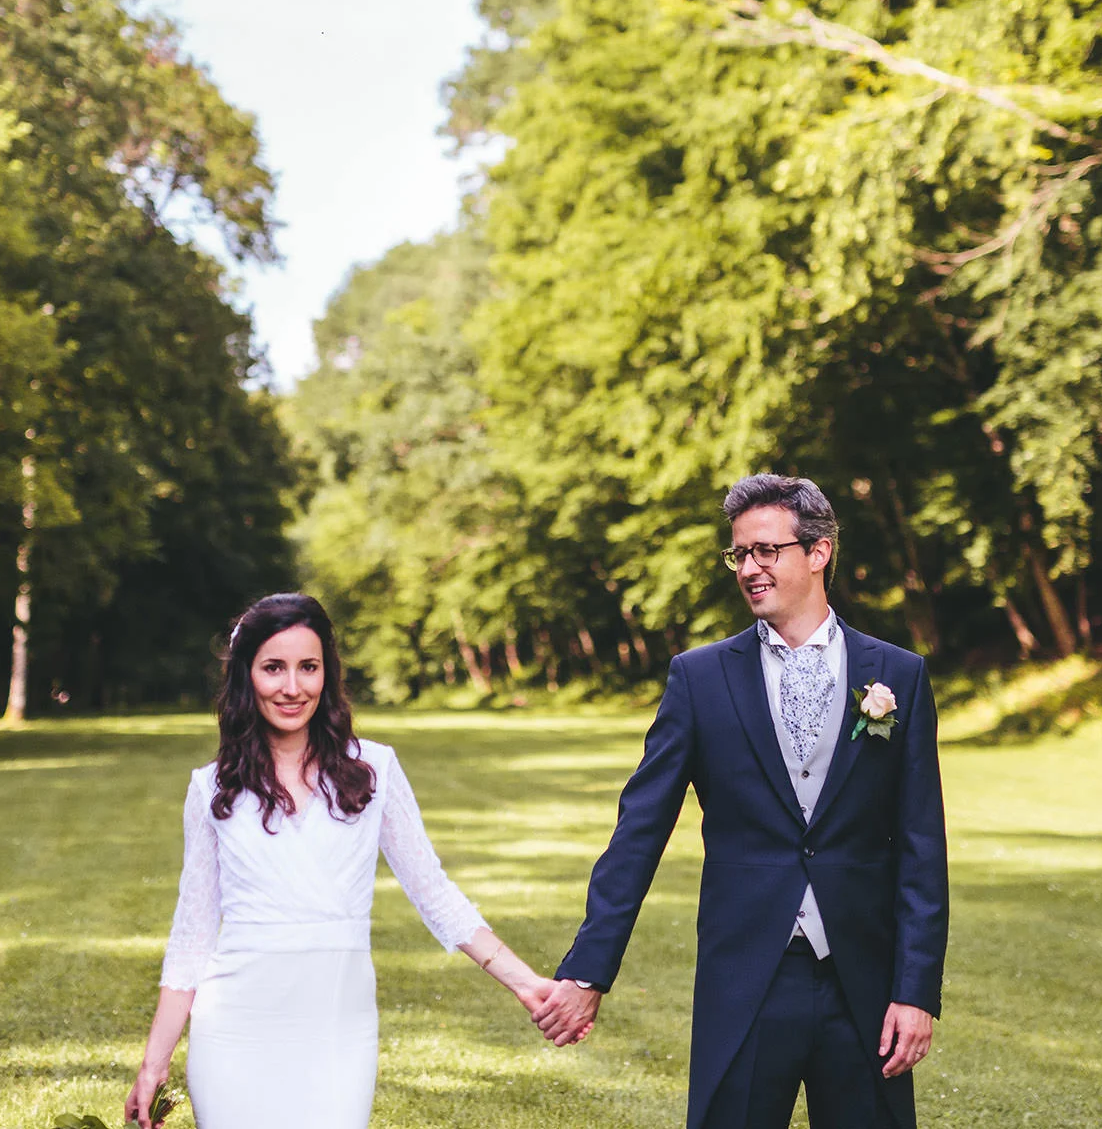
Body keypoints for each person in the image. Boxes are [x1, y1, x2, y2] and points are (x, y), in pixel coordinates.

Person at [533, 473, 949, 1129]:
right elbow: (639, 832)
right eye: (739, 555)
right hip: (749, 978)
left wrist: (916, 990)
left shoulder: (897, 676)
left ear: (818, 552)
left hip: (864, 986)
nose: (749, 569)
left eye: (766, 551)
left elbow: (923, 846)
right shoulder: (698, 680)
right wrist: (589, 971)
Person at [125, 592, 556, 1128]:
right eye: (273, 668)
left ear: (327, 674)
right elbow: (191, 936)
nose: (292, 687)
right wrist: (153, 1064)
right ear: (245, 676)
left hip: (338, 1031)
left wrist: (524, 982)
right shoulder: (211, 788)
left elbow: (434, 893)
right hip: (234, 1030)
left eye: (308, 667)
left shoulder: (374, 770)